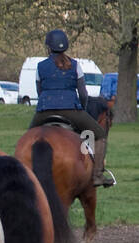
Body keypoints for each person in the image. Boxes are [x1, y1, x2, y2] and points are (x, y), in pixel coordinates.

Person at [31, 29, 113, 187]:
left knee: (27, 138)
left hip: (44, 111)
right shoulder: (75, 65)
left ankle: (24, 174)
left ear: (48, 47)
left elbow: (39, 91)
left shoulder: (40, 67)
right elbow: (83, 93)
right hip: (71, 110)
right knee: (100, 135)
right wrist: (81, 109)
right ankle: (97, 176)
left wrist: (46, 104)